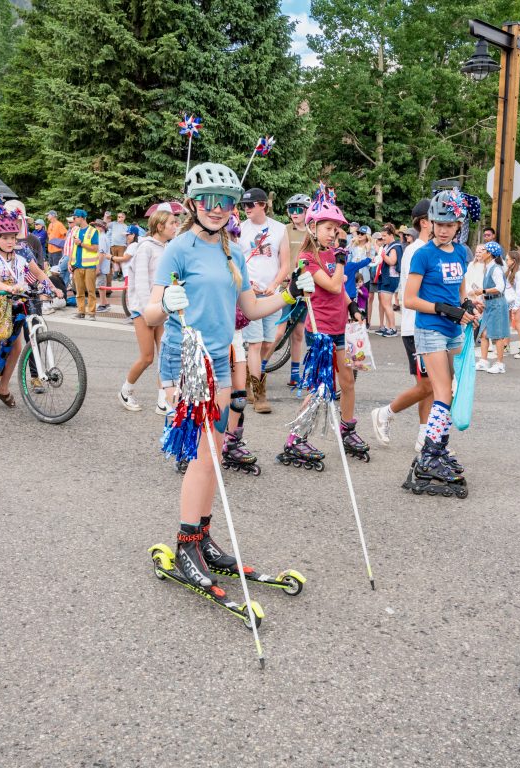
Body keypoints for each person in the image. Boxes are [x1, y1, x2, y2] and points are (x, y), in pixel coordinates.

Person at [143, 162, 314, 591]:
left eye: (224, 202)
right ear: (192, 203)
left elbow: (251, 309)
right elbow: (149, 312)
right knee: (202, 456)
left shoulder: (231, 251)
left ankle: (201, 537)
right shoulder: (177, 249)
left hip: (221, 362)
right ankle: (186, 544)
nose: (216, 209)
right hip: (186, 361)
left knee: (215, 456)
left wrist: (292, 293)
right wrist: (166, 304)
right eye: (208, 200)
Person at [279, 195, 369, 466]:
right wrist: (341, 263)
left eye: (336, 229)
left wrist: (352, 305)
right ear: (313, 228)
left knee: (349, 382)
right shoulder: (307, 258)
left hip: (341, 327)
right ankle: (296, 438)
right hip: (320, 331)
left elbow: (340, 291)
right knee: (320, 386)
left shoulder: (333, 254)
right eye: (328, 228)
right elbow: (331, 285)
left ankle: (347, 428)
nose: (334, 234)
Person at [402, 190, 481, 490]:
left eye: (450, 224)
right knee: (443, 391)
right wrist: (444, 310)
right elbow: (409, 300)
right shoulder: (423, 254)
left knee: (455, 388)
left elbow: (460, 292)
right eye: (438, 223)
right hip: (430, 328)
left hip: (453, 330)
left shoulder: (461, 253)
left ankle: (438, 448)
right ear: (430, 223)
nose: (444, 229)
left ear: (459, 225)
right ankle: (430, 453)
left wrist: (468, 306)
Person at [0, 208, 58, 406]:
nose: (10, 241)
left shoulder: (23, 251)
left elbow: (38, 273)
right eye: (5, 238)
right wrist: (9, 287)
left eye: (12, 237)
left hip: (18, 302)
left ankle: (2, 387)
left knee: (17, 346)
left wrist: (53, 287)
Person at [371, 199, 434, 450]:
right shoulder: (416, 250)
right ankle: (385, 413)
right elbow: (416, 292)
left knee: (428, 386)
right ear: (425, 222)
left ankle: (423, 438)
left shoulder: (429, 249)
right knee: (429, 385)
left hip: (431, 326)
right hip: (416, 327)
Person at [238, 187, 290, 414]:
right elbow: (235, 261)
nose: (246, 209)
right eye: (244, 205)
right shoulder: (240, 229)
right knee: (255, 343)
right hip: (249, 294)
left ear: (263, 205)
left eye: (250, 205)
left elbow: (285, 262)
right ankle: (260, 394)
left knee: (270, 342)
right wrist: (247, 284)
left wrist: (274, 284)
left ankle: (251, 376)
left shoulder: (279, 229)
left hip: (273, 293)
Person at [120, 214, 174, 412]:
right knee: (147, 357)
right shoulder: (145, 248)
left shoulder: (168, 248)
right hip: (143, 310)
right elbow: (141, 284)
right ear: (160, 226)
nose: (175, 226)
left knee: (165, 356)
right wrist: (147, 311)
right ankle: (126, 391)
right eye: (172, 223)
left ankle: (163, 401)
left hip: (163, 308)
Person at [282, 193, 311, 387]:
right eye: (291, 209)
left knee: (298, 332)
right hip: (285, 285)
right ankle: (258, 369)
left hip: (305, 287)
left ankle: (294, 373)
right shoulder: (284, 230)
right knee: (276, 332)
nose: (294, 213)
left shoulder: (312, 232)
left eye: (299, 209)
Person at [472, 242, 510, 374]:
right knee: (484, 334)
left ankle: (500, 364)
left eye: (483, 251)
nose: (480, 253)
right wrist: (482, 300)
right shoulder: (488, 267)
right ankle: (484, 361)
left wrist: (482, 292)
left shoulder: (496, 268)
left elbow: (500, 288)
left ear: (489, 254)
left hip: (497, 304)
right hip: (490, 303)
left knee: (497, 335)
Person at [69, 208, 100, 319]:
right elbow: (73, 248)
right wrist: (70, 262)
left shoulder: (93, 231)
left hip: (89, 266)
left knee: (91, 291)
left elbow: (95, 248)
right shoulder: (76, 230)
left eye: (75, 217)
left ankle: (92, 313)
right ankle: (81, 312)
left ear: (81, 218)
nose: (74, 219)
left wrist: (81, 244)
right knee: (79, 291)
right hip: (77, 265)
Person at [505, 249, 520, 359]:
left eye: (507, 259)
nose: (506, 261)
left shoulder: (519, 273)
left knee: (517, 325)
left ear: (513, 260)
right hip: (509, 302)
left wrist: (516, 306)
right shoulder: (510, 271)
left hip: (515, 303)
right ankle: (506, 345)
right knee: (508, 325)